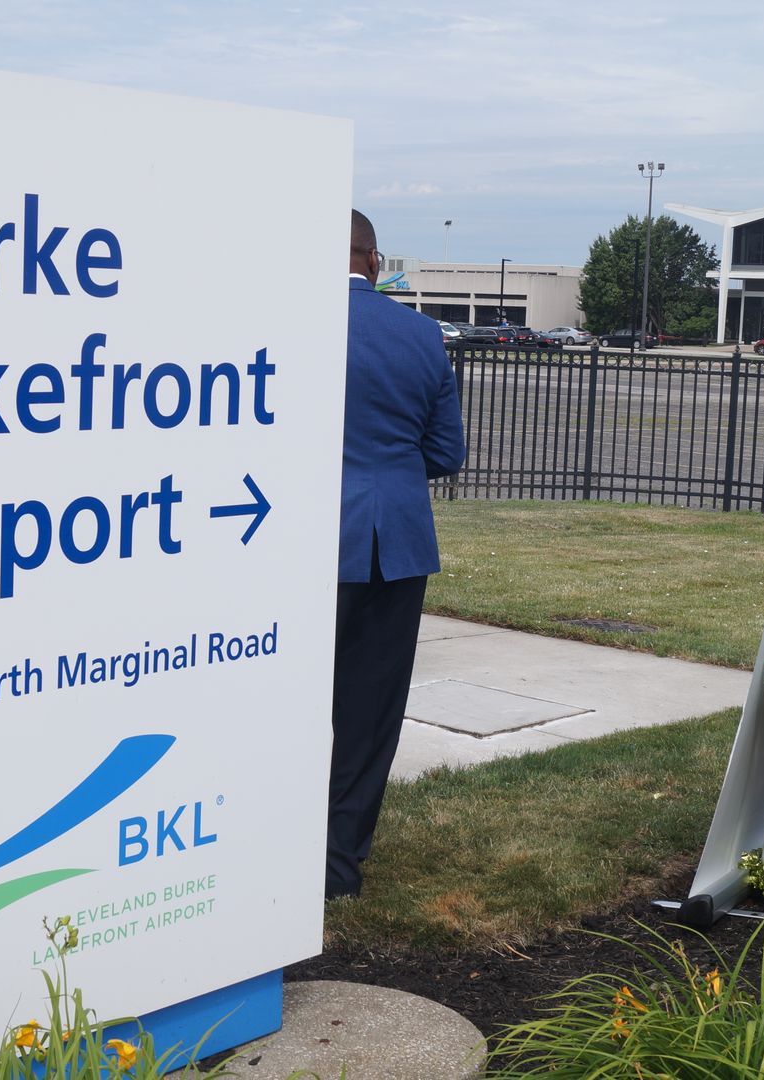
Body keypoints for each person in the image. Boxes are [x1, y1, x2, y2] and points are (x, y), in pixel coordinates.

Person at [328, 210, 466, 900]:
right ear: (375, 262)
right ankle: (339, 864)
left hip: (310, 541)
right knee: (371, 709)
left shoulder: (290, 327)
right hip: (399, 545)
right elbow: (446, 451)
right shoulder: (421, 334)